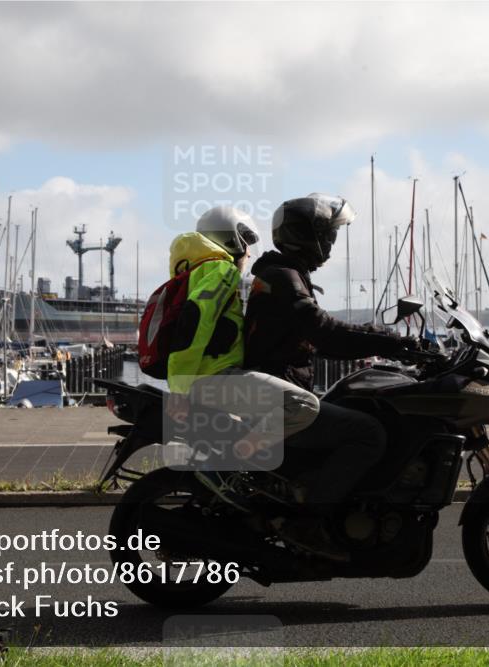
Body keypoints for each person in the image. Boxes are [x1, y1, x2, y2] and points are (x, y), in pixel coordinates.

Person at [244, 193, 417, 558]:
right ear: (309, 236)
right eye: (330, 234)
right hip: (277, 397)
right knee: (368, 434)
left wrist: (381, 347)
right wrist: (394, 342)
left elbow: (314, 340)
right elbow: (324, 331)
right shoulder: (284, 278)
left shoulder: (283, 273)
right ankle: (306, 523)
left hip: (279, 388)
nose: (333, 243)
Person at [165, 207, 320, 508]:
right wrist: (182, 387)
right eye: (247, 244)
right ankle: (224, 467)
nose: (249, 255)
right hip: (211, 379)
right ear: (234, 240)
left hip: (206, 376)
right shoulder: (220, 270)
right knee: (302, 406)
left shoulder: (196, 270)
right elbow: (196, 323)